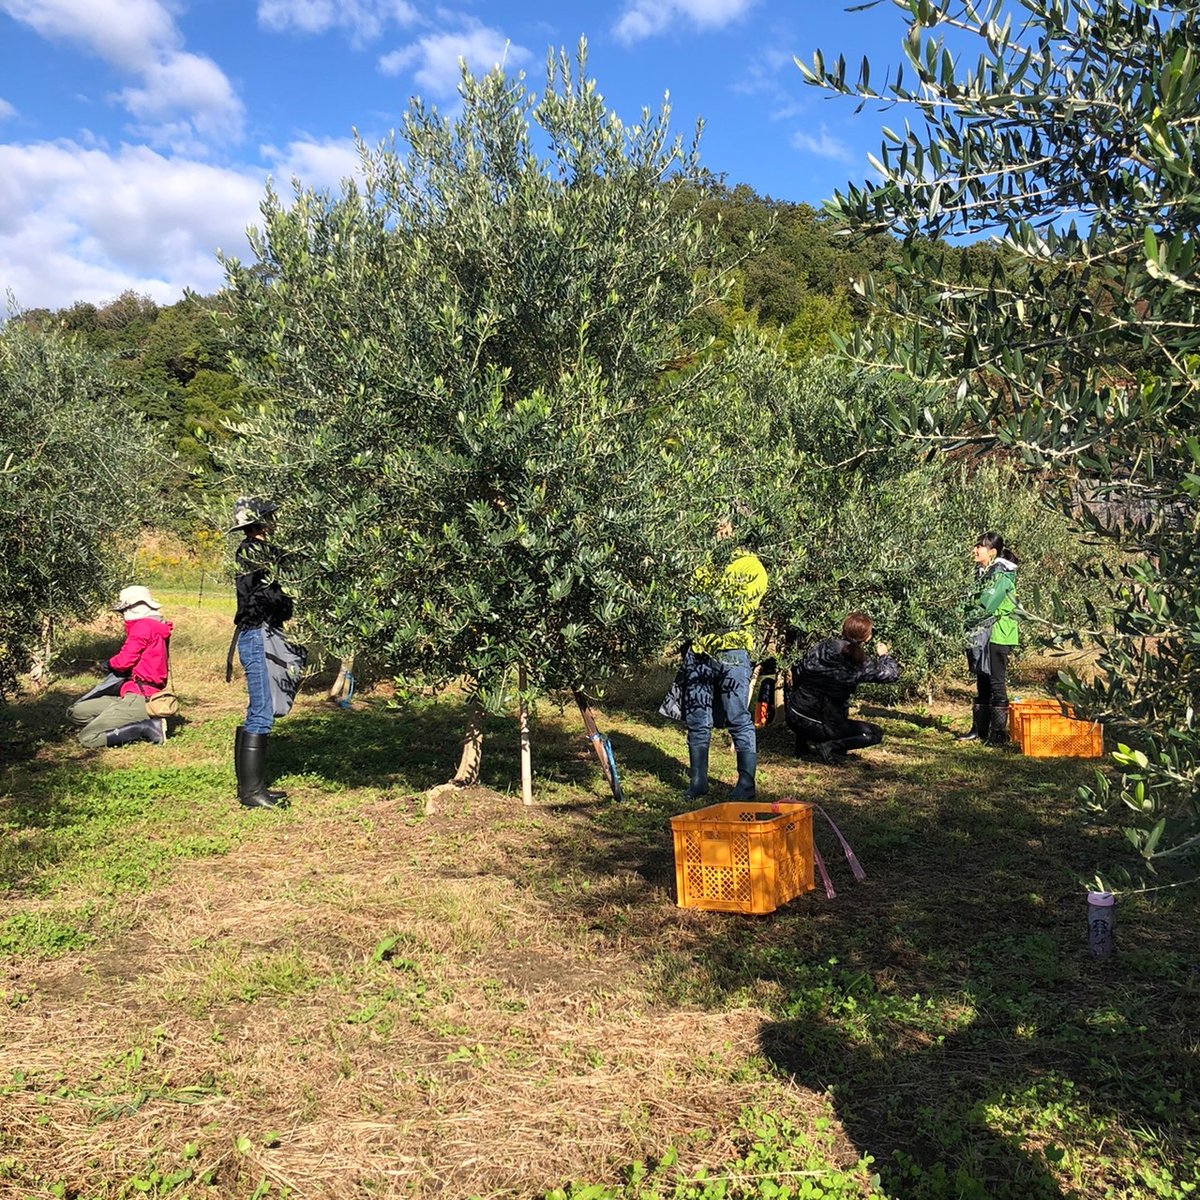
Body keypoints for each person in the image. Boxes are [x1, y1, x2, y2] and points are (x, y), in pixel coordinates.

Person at [679, 511, 768, 801]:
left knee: (737, 716)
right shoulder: (704, 565)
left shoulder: (752, 567)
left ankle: (746, 784)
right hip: (700, 650)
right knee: (697, 717)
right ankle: (698, 781)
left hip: (733, 651)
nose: (719, 534)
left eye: (724, 529)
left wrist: (711, 606)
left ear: (736, 532)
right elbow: (693, 603)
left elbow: (741, 609)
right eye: (717, 529)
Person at [228, 497, 294, 809]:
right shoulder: (253, 552)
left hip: (256, 635)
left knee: (259, 706)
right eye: (272, 517)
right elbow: (264, 599)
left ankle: (251, 788)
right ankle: (251, 793)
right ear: (263, 521)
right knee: (262, 709)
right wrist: (285, 601)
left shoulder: (254, 552)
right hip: (256, 636)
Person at [785, 612, 899, 765]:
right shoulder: (858, 663)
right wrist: (884, 656)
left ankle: (802, 746)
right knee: (874, 733)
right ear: (867, 638)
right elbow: (891, 674)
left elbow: (799, 671)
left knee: (818, 697)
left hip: (793, 714)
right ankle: (830, 746)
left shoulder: (821, 647)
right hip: (821, 725)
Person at [67, 586, 172, 748]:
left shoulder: (143, 627)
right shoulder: (154, 626)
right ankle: (127, 722)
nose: (123, 616)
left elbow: (124, 661)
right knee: (77, 712)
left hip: (139, 696)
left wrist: (108, 664)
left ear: (133, 608)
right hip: (131, 693)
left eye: (123, 611)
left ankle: (146, 727)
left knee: (88, 738)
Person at [957, 531, 1019, 744]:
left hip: (998, 634)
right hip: (982, 632)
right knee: (982, 679)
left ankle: (999, 733)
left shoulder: (1001, 574)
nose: (975, 550)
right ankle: (980, 729)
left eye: (979, 546)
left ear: (992, 552)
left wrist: (963, 611)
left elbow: (986, 604)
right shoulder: (982, 572)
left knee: (996, 681)